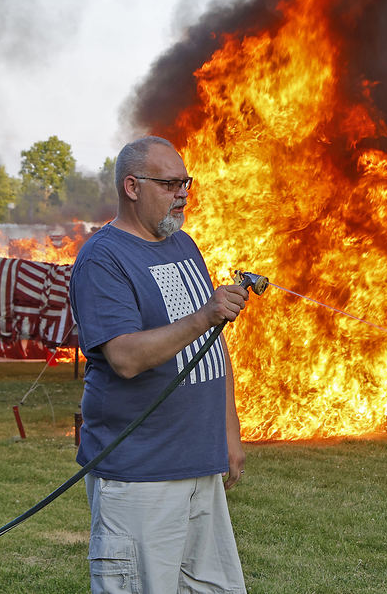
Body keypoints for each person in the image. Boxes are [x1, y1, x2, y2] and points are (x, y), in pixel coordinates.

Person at [70, 135, 249, 593]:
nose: (182, 194)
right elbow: (126, 357)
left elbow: (212, 347)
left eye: (185, 183)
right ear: (132, 187)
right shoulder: (103, 258)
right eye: (170, 184)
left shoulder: (183, 245)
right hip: (140, 475)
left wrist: (228, 434)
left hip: (199, 465)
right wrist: (205, 313)